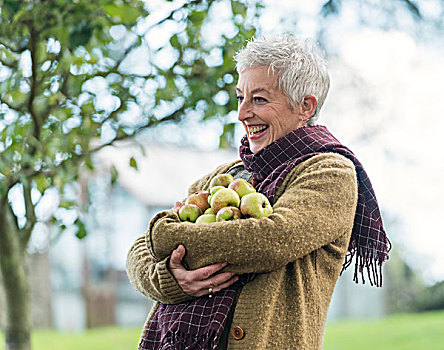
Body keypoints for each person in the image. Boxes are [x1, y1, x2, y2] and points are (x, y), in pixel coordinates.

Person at [126, 35, 391, 350]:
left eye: (259, 99)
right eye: (240, 97)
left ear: (305, 106)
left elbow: (269, 239)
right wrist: (171, 279)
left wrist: (168, 238)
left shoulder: (329, 173)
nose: (242, 114)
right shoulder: (225, 176)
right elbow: (138, 252)